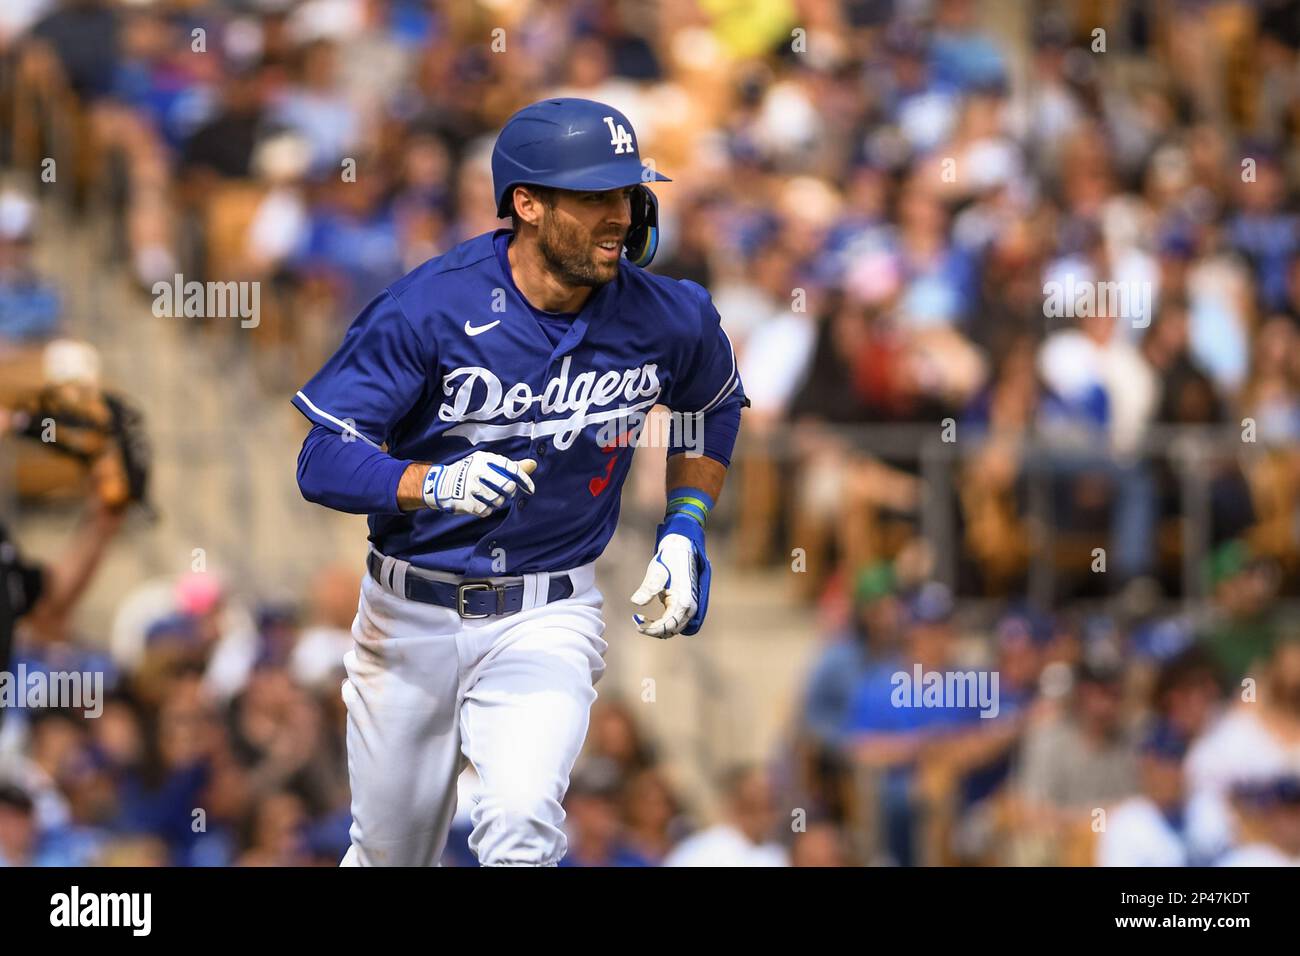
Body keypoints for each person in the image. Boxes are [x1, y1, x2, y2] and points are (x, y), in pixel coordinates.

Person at [291, 98, 748, 866]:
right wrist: (428, 484)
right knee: (390, 855)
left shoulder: (670, 314)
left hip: (549, 610)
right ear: (526, 205)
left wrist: (685, 524)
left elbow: (712, 403)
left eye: (627, 194)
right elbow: (321, 457)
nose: (620, 215)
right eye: (595, 196)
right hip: (408, 615)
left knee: (521, 825)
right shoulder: (428, 309)